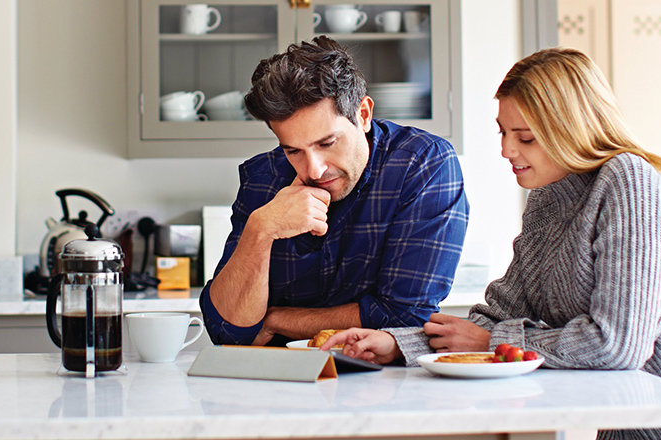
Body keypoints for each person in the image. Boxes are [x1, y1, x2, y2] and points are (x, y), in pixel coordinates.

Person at [322, 47, 661, 438]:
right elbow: (497, 314)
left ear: (571, 128)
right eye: (503, 133)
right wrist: (396, 344)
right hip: (642, 426)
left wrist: (494, 342)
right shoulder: (546, 198)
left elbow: (616, 344)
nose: (506, 150)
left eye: (526, 137)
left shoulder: (628, 181)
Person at [199, 36, 469, 346]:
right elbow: (227, 331)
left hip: (381, 382)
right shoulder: (264, 178)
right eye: (293, 151)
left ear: (363, 115)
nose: (313, 169)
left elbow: (405, 316)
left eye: (327, 143)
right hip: (277, 383)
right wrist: (261, 230)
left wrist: (278, 319)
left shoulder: (422, 165)